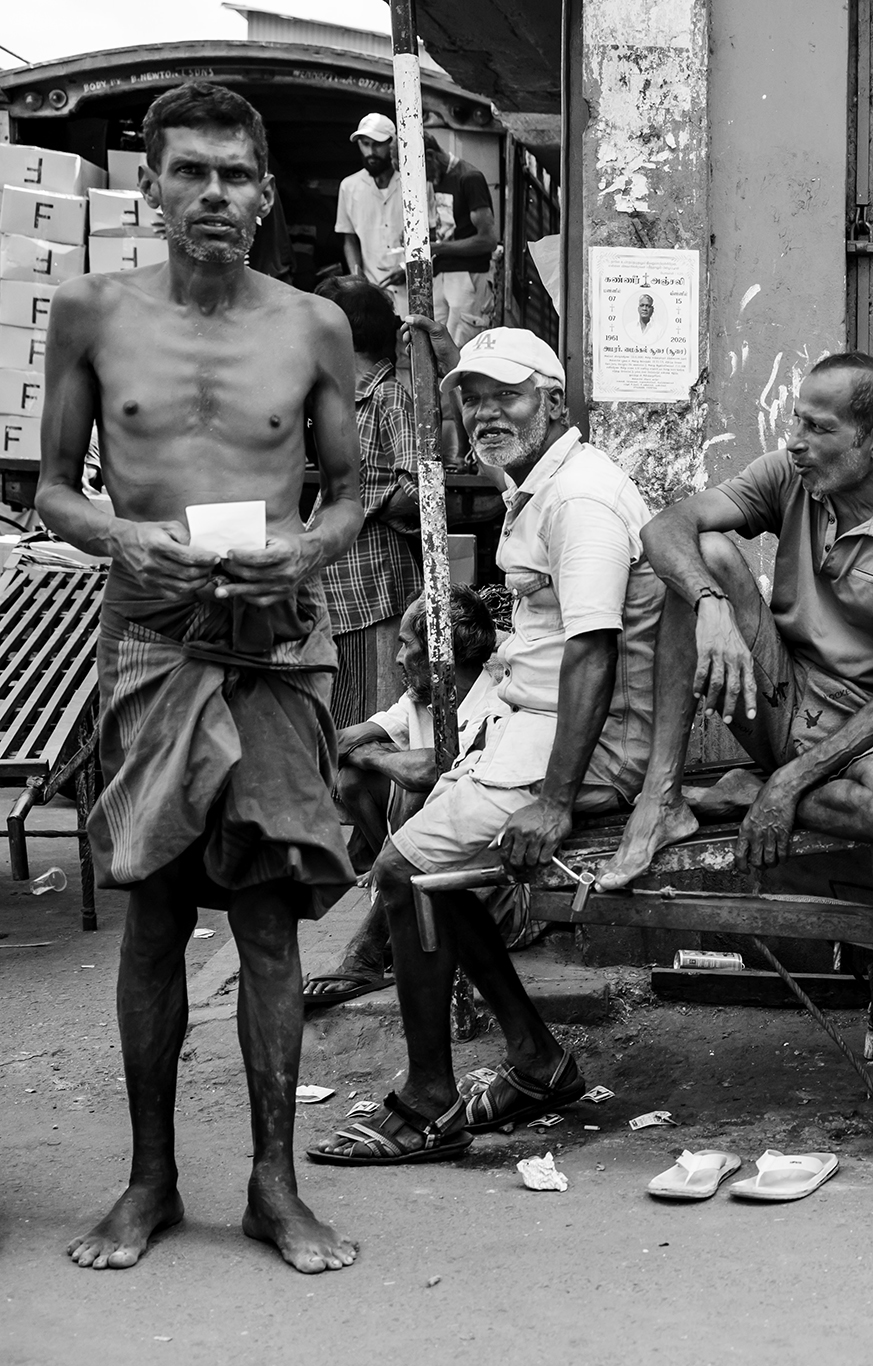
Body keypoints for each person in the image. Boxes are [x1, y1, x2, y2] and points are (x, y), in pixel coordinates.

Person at [36, 82, 364, 1273]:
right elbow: (53, 487)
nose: (214, 195)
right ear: (154, 188)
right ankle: (150, 1179)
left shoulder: (312, 325)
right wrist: (124, 536)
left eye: (234, 175)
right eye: (191, 173)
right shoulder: (93, 312)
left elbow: (354, 489)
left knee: (271, 921)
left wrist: (304, 551)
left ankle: (277, 1185)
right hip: (153, 638)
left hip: (275, 641)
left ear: (265, 192)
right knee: (156, 913)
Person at [308, 327, 662, 1164]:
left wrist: (555, 797)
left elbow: (592, 653)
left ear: (553, 401)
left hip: (575, 743)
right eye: (472, 397)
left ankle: (431, 1100)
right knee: (428, 875)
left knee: (405, 872)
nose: (485, 412)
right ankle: (537, 1062)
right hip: (528, 728)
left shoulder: (578, 498)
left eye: (506, 395)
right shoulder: (535, 485)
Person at [597, 353, 873, 888]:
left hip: (865, 729)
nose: (795, 440)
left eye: (818, 428)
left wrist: (785, 785)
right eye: (796, 420)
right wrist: (711, 606)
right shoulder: (789, 474)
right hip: (778, 694)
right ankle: (661, 800)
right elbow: (664, 529)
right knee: (705, 555)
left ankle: (753, 786)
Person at [305, 587, 503, 1008]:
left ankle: (370, 950)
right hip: (433, 862)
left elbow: (436, 768)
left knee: (423, 792)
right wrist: (379, 756)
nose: (397, 657)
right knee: (355, 777)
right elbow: (340, 743)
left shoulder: (493, 704)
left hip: (485, 885)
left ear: (439, 652)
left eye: (406, 645)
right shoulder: (420, 698)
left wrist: (379, 755)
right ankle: (395, 903)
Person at [311, 277, 421, 728]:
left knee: (370, 715)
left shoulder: (388, 396)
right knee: (340, 709)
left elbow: (419, 490)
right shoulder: (340, 401)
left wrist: (353, 509)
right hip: (342, 587)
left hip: (374, 588)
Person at [423, 133, 498, 344]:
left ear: (430, 156)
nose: (423, 178)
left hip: (468, 275)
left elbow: (488, 241)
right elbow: (453, 229)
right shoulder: (437, 177)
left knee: (463, 349)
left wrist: (438, 248)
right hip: (442, 275)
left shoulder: (469, 177)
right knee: (436, 347)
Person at [334, 113, 404, 304]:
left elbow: (434, 233)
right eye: (365, 144)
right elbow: (348, 238)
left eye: (378, 144)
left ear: (393, 144)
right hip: (374, 290)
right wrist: (357, 278)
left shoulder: (413, 183)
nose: (371, 151)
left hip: (415, 288)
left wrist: (408, 268)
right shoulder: (349, 186)